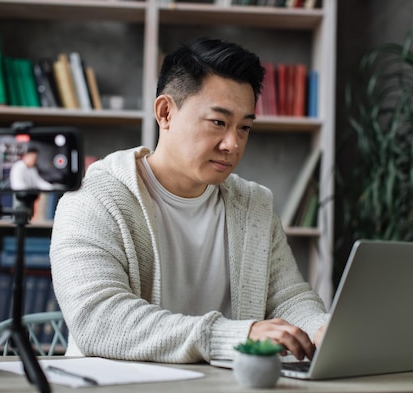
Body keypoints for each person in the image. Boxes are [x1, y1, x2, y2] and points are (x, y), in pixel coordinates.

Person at [50, 38, 329, 364]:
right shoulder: (92, 200)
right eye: (218, 123)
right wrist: (237, 336)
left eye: (244, 128)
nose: (233, 144)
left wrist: (320, 328)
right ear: (165, 112)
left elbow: (288, 298)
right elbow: (98, 320)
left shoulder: (254, 205)